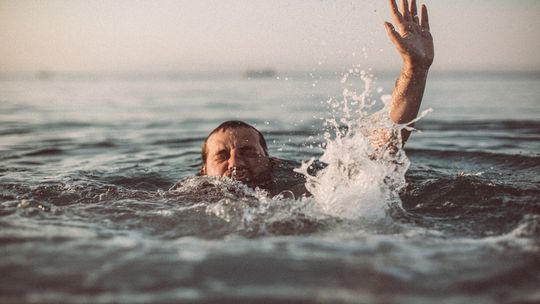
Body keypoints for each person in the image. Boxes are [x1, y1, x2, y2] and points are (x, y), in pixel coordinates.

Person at [198, 0, 433, 197]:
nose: (235, 163)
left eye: (248, 151)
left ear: (271, 161)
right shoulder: (182, 199)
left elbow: (381, 147)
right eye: (221, 156)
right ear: (204, 171)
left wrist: (414, 70)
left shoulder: (304, 188)